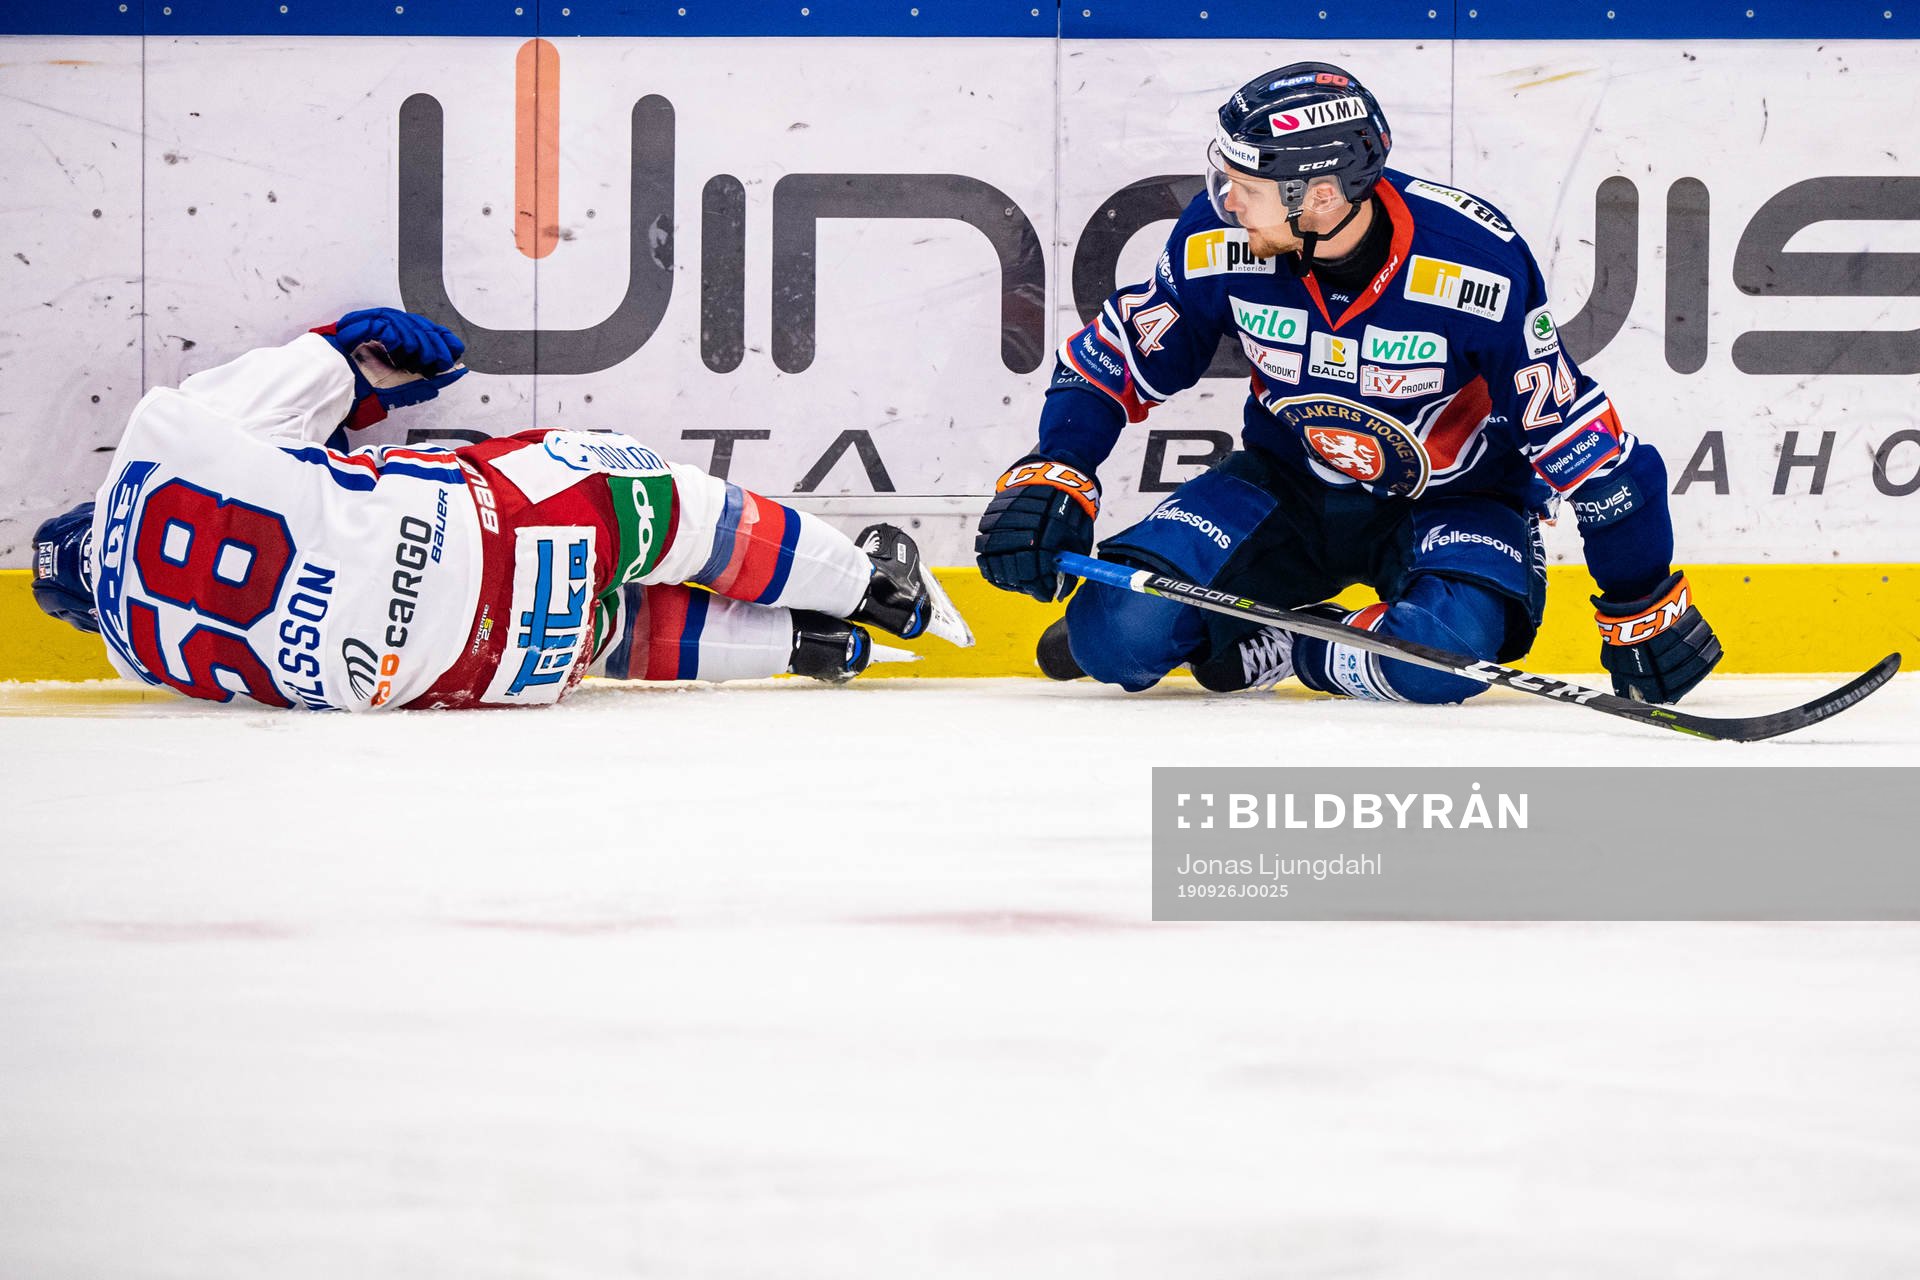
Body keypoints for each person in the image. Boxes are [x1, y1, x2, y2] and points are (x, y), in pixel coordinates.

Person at [974, 62, 1720, 705]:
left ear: (1322, 196)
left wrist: (1642, 604)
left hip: (1457, 501)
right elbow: (1117, 356)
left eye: (1247, 186)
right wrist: (1058, 469)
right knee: (1113, 637)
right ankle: (1280, 634)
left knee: (1437, 661)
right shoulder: (1216, 235)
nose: (1228, 201)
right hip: (1287, 486)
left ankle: (1296, 642)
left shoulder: (1475, 266)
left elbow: (1590, 452)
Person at [29, 307, 971, 710]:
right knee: (659, 505)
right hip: (475, 531)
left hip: (468, 672)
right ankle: (873, 589)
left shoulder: (145, 659)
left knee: (605, 629)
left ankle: (806, 649)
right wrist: (364, 358)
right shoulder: (159, 439)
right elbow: (341, 359)